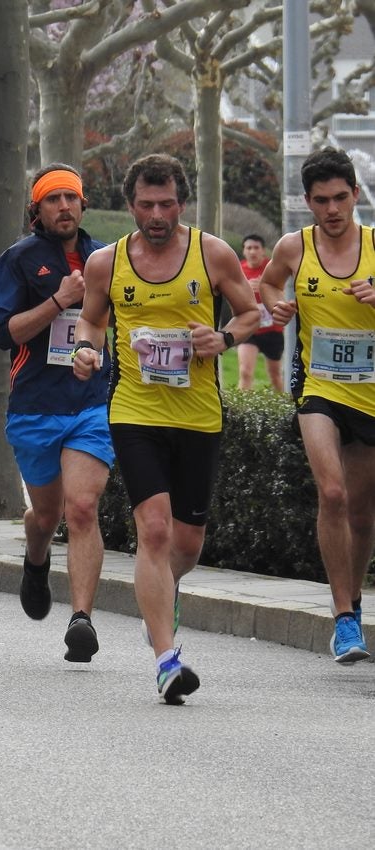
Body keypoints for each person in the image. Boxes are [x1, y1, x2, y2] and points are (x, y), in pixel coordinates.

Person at [72, 154, 258, 704]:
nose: (157, 215)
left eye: (168, 204)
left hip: (198, 414)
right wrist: (85, 348)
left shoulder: (213, 253)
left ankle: (161, 597)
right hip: (135, 411)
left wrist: (223, 338)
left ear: (182, 202)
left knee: (187, 544)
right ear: (131, 205)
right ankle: (165, 658)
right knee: (153, 531)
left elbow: (251, 315)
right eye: (147, 205)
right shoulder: (108, 263)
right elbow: (91, 317)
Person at [0, 163, 113, 663]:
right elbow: (4, 334)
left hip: (91, 403)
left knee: (81, 508)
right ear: (35, 209)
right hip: (36, 406)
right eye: (52, 199)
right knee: (47, 514)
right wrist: (58, 301)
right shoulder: (17, 261)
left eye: (71, 198)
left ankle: (81, 619)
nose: (64, 206)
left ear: (83, 205)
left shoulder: (105, 258)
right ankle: (36, 560)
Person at [258, 146, 375, 663]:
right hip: (318, 389)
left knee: (362, 511)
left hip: (369, 392)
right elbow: (265, 282)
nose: (332, 209)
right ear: (308, 202)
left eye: (341, 198)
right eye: (322, 200)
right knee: (332, 493)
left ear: (355, 194)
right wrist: (274, 305)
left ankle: (353, 599)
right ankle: (343, 618)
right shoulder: (293, 247)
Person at [237, 234, 284, 392]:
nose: (252, 251)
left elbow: (286, 293)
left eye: (256, 248)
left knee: (275, 375)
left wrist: (264, 288)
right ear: (243, 251)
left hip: (272, 329)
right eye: (248, 248)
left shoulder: (272, 268)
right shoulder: (238, 270)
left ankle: (286, 410)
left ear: (263, 251)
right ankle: (241, 413)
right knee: (245, 371)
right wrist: (244, 290)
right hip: (249, 328)